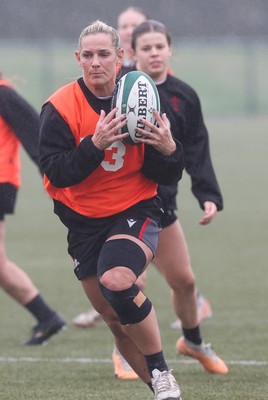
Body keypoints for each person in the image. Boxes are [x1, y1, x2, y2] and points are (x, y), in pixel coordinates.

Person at [39, 20, 184, 400]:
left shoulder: (141, 96)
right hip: (83, 223)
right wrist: (94, 145)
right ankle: (162, 391)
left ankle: (162, 370)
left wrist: (170, 150)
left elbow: (166, 173)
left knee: (119, 281)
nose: (96, 62)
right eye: (88, 55)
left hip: (135, 208)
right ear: (78, 58)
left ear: (121, 57)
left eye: (104, 54)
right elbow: (56, 172)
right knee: (116, 320)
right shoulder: (59, 107)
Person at [73, 6, 212, 338]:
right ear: (130, 51)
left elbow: (191, 151)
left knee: (184, 280)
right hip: (124, 204)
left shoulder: (181, 95)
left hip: (162, 202)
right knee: (129, 282)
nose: (152, 52)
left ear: (169, 48)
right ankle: (124, 354)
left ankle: (194, 342)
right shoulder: (115, 88)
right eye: (144, 46)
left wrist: (207, 193)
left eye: (158, 46)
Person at [0, 73, 66, 345]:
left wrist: (52, 175)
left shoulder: (3, 94)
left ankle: (47, 316)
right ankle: (46, 317)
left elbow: (35, 132)